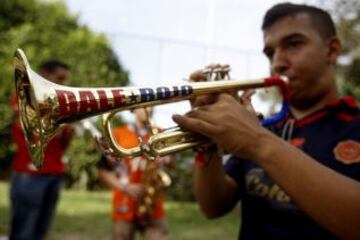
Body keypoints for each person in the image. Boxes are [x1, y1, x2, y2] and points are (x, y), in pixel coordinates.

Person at [172, 3, 360, 239]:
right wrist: (208, 141)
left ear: (331, 50)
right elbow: (213, 207)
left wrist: (258, 141)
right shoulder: (265, 126)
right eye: (270, 53)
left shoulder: (256, 132)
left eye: (293, 44)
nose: (277, 63)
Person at [10, 59, 73, 240]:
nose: (62, 84)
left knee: (40, 230)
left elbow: (62, 146)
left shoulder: (61, 105)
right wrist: (57, 120)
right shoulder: (26, 96)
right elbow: (26, 127)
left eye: (64, 79)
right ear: (45, 74)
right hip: (29, 172)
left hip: (54, 171)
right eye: (59, 78)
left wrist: (70, 128)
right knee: (24, 231)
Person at [97, 108, 171, 240]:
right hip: (124, 204)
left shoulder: (160, 134)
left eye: (151, 105)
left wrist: (168, 160)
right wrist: (124, 187)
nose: (148, 108)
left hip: (153, 206)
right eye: (143, 105)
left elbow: (171, 164)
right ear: (132, 110)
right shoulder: (118, 134)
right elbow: (102, 171)